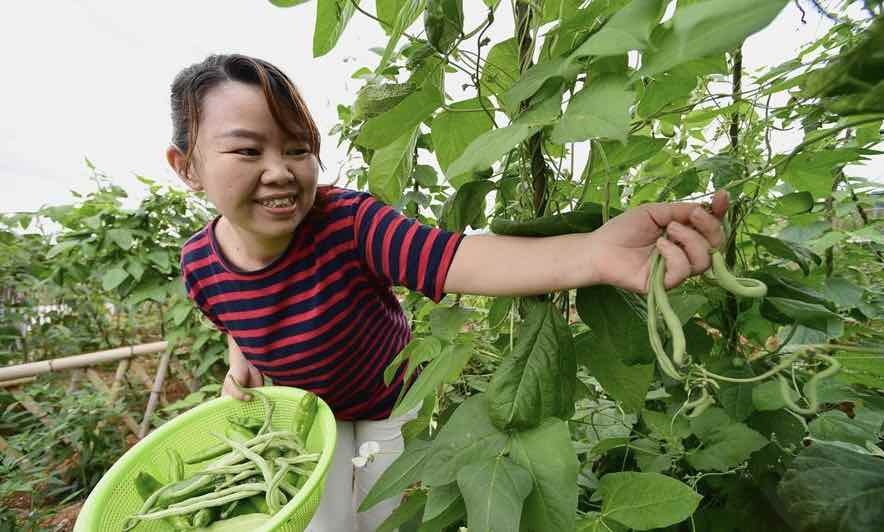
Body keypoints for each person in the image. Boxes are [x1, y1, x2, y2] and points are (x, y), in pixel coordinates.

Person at [166, 54, 729, 532]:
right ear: (187, 167)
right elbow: (235, 321)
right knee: (325, 520)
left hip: (392, 405)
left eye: (296, 149)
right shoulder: (199, 263)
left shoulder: (349, 224)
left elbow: (458, 257)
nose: (281, 171)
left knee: (381, 513)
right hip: (312, 414)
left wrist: (593, 253)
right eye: (246, 151)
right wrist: (242, 361)